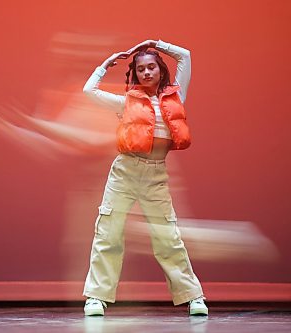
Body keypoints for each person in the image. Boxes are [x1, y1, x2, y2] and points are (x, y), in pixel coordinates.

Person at [82, 39, 208, 316]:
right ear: (135, 74)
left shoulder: (176, 97)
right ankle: (96, 297)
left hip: (155, 175)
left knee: (168, 237)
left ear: (161, 70)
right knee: (108, 232)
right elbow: (89, 90)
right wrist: (107, 64)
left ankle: (192, 296)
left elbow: (185, 55)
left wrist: (156, 44)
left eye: (152, 67)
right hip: (125, 172)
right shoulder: (125, 102)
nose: (147, 72)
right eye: (141, 69)